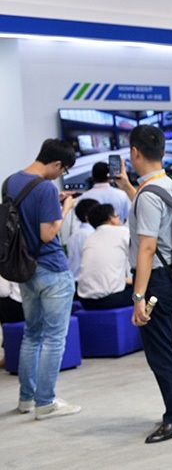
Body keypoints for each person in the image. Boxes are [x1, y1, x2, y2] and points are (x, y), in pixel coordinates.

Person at [113, 125, 172, 444]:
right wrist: (128, 188)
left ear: (134, 153)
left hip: (155, 281)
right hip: (170, 277)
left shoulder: (149, 195)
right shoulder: (166, 184)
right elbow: (152, 214)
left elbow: (146, 248)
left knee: (161, 353)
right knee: (165, 348)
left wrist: (138, 297)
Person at [5, 139, 81, 420]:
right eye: (63, 170)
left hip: (24, 268)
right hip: (51, 269)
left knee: (32, 334)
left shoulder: (10, 182)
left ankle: (26, 399)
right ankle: (46, 402)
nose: (61, 175)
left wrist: (52, 205)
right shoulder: (46, 188)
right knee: (54, 338)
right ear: (57, 163)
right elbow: (48, 234)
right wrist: (65, 208)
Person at [77, 203, 133, 310]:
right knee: (147, 290)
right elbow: (143, 253)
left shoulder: (90, 238)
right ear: (112, 219)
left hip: (86, 302)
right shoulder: (122, 232)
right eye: (118, 216)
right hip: (111, 300)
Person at [65, 198, 99, 282]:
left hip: (73, 279)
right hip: (86, 281)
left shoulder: (74, 234)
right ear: (87, 216)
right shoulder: (91, 235)